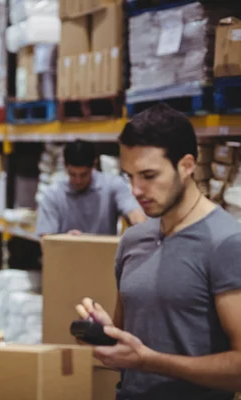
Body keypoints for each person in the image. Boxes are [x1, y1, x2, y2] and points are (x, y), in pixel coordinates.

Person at [75, 103, 241, 400]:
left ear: (187, 166)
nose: (136, 190)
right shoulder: (133, 239)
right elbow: (132, 342)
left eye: (149, 176)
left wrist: (149, 361)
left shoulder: (226, 242)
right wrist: (107, 333)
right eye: (129, 177)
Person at [36, 140, 145, 236]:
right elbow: (46, 239)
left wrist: (140, 224)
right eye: (73, 174)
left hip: (104, 257)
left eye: (84, 174)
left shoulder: (113, 185)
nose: (78, 180)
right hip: (64, 256)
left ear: (94, 164)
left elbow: (133, 211)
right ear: (64, 165)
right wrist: (64, 240)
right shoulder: (52, 194)